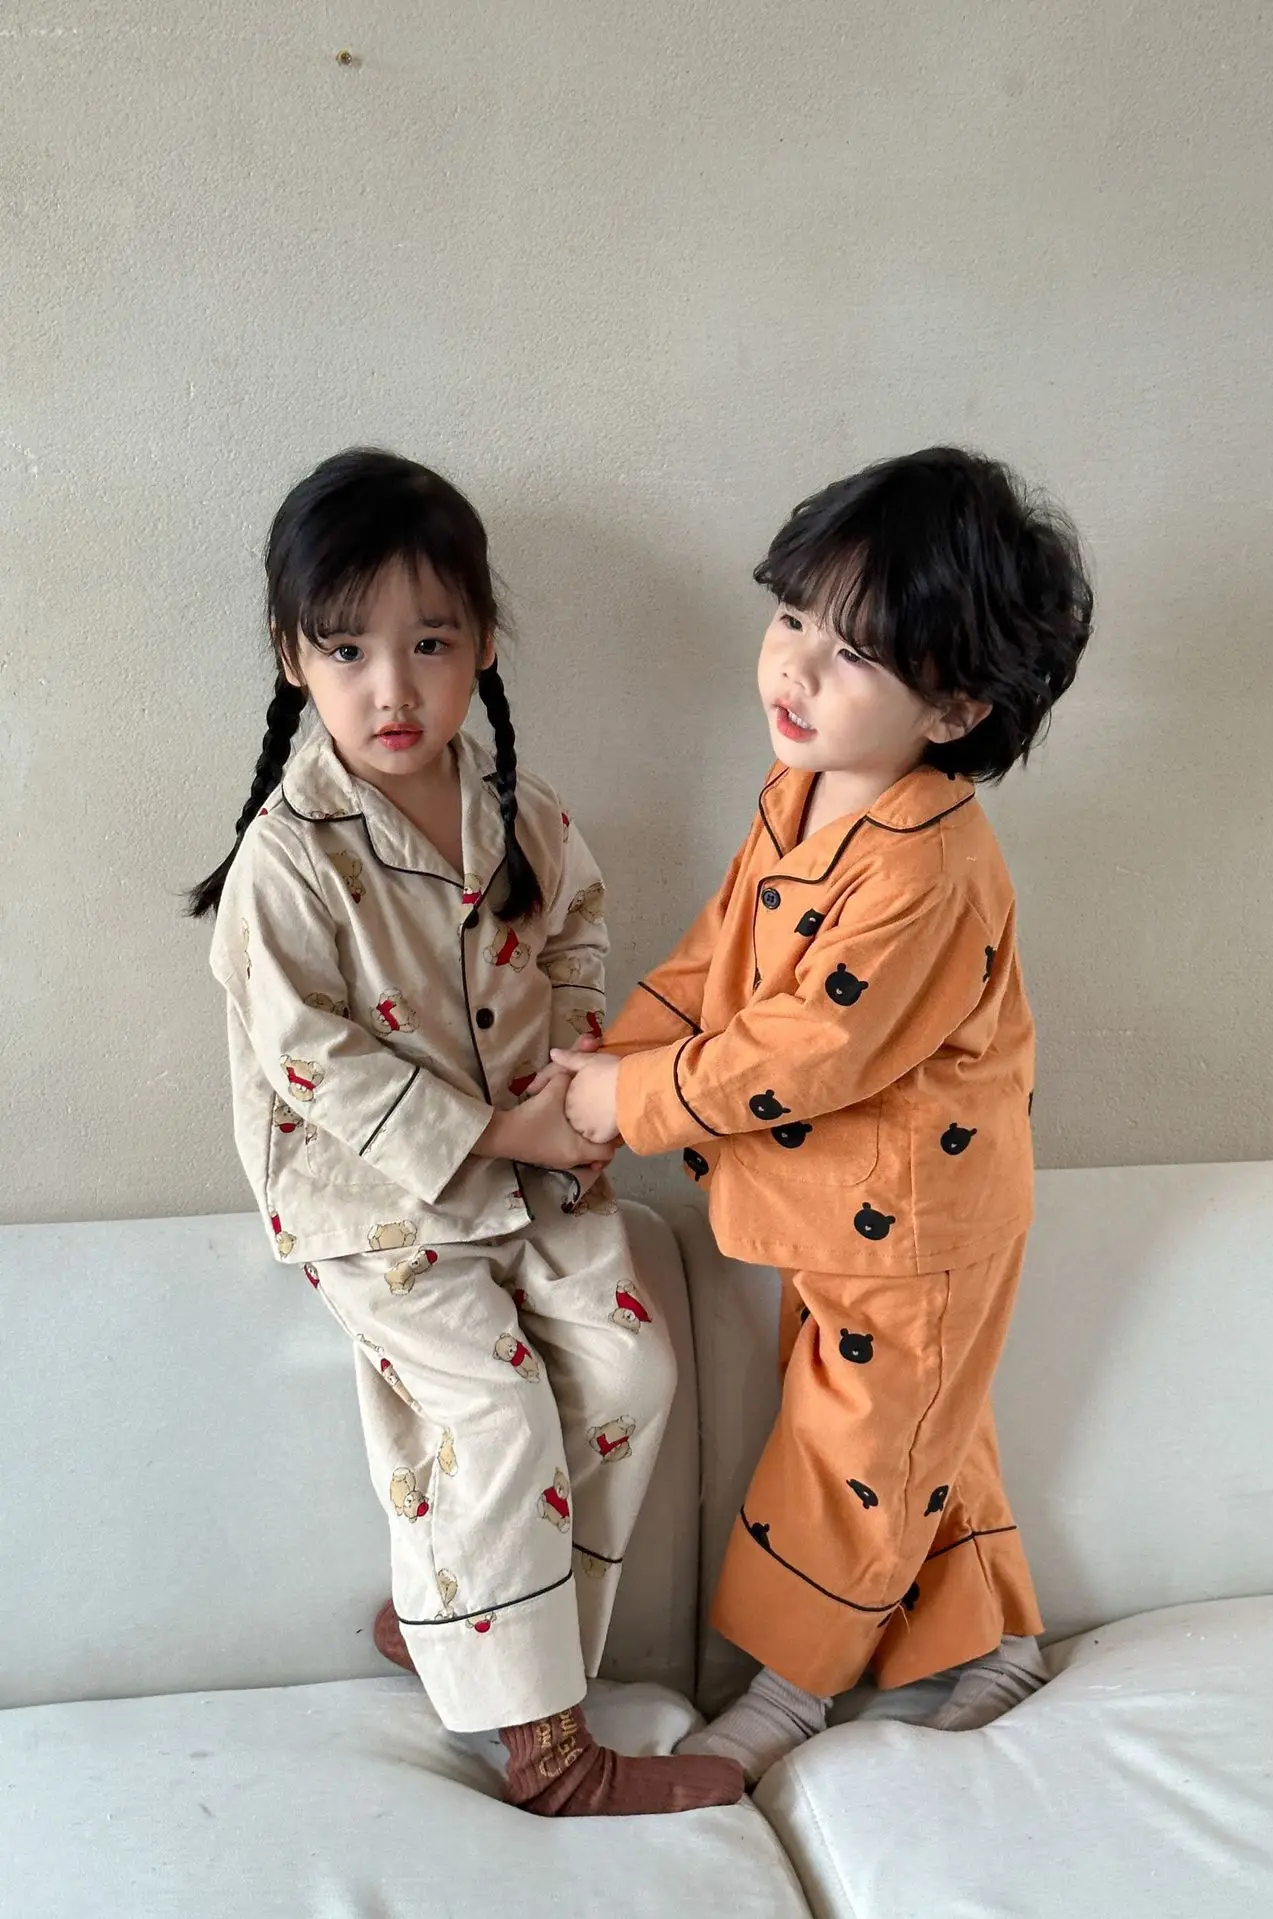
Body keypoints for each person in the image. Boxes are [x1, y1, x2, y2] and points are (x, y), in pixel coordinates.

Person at [190, 448, 743, 1817]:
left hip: (534, 1166)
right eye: (349, 649)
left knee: (630, 1370)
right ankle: (549, 1747)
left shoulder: (525, 816)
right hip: (377, 1202)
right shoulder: (288, 859)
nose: (393, 687)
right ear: (293, 660)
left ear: (482, 644)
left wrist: (578, 1068)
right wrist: (505, 1132)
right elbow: (310, 1057)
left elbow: (577, 934)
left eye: (429, 643)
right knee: (497, 1408)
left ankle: (454, 1621)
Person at [555, 446, 1092, 1782]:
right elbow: (718, 959)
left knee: (858, 1448)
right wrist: (609, 1063)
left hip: (921, 1220)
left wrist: (632, 1100)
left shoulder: (931, 868)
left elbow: (809, 1049)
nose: (794, 668)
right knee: (920, 1430)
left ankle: (793, 1693)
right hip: (840, 1211)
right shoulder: (797, 794)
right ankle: (1000, 1641)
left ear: (955, 707)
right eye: (793, 617)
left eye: (852, 653)